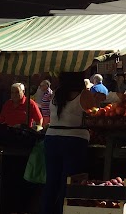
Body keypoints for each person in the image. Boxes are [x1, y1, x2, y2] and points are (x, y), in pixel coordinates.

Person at [42, 72, 98, 214]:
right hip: (74, 140)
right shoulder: (84, 94)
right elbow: (95, 116)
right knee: (68, 184)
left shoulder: (56, 93)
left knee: (51, 182)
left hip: (51, 139)